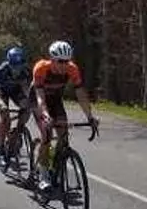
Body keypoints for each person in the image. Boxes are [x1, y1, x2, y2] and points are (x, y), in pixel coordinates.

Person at [31, 40, 97, 190]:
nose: (64, 65)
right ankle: (43, 175)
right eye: (60, 61)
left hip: (55, 100)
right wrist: (45, 114)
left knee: (63, 137)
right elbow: (40, 97)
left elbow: (81, 95)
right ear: (52, 59)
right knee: (47, 135)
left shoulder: (72, 69)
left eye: (67, 61)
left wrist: (90, 117)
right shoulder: (41, 68)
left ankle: (55, 166)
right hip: (37, 100)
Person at [0, 46, 33, 165]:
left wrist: (28, 103)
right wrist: (2, 105)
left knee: (27, 108)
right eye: (14, 65)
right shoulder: (2, 70)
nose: (17, 68)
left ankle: (18, 132)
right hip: (3, 92)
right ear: (9, 63)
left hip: (17, 91)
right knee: (5, 117)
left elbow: (27, 89)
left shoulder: (26, 71)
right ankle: (0, 148)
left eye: (20, 65)